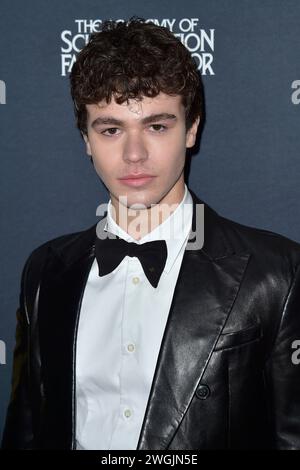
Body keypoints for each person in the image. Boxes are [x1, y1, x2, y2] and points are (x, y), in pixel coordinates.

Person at [2, 17, 300, 451]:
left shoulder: (277, 274)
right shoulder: (46, 271)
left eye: (157, 126)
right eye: (111, 129)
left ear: (191, 127)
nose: (134, 154)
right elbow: (26, 431)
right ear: (86, 138)